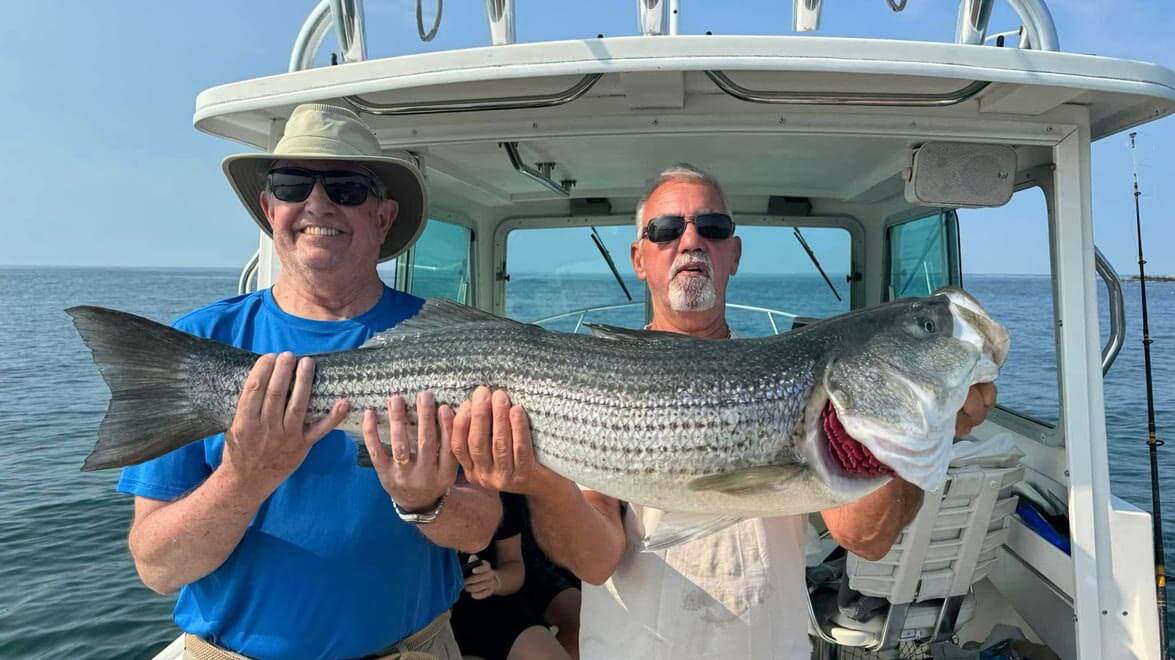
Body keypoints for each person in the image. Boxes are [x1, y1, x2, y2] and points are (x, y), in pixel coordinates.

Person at [448, 164, 997, 658]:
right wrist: (541, 484)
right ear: (640, 259)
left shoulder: (791, 375)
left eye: (711, 229)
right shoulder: (600, 378)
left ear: (733, 253)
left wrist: (922, 434)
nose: (690, 241)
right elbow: (596, 562)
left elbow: (866, 538)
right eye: (666, 230)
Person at [116, 104, 500, 660]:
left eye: (346, 188)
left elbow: (480, 529)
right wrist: (244, 478)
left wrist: (427, 501)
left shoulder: (455, 341)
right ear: (270, 207)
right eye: (293, 184)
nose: (316, 203)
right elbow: (157, 568)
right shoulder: (202, 343)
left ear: (383, 217)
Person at [450, 493, 571, 660]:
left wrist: (495, 580)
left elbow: (513, 565)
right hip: (433, 618)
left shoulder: (495, 488)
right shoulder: (410, 499)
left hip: (490, 603)